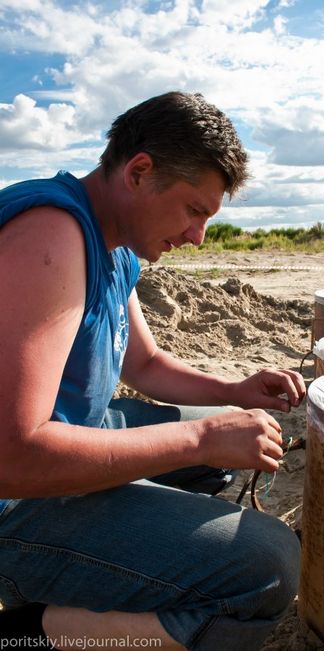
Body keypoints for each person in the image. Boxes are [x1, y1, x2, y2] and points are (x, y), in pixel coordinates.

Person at [0, 91, 305, 650]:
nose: (198, 237)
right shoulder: (51, 234)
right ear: (140, 172)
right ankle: (27, 632)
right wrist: (201, 437)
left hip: (76, 435)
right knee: (268, 564)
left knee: (222, 441)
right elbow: (13, 456)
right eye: (194, 211)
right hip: (15, 505)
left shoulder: (114, 244)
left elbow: (145, 363)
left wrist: (234, 392)